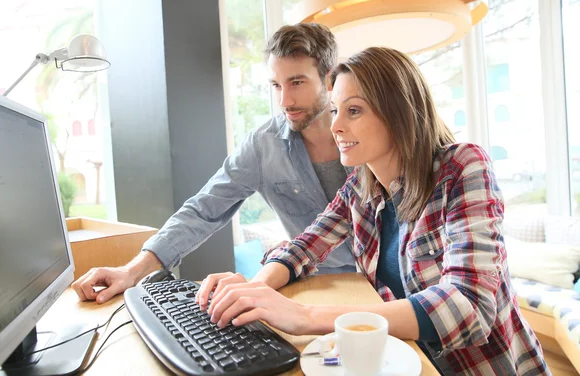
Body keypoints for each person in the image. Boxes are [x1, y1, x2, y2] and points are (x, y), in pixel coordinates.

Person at [197, 47, 550, 375]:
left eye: (353, 110)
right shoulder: (360, 189)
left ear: (398, 112)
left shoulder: (462, 167)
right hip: (410, 360)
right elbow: (304, 247)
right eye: (334, 109)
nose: (335, 126)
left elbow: (469, 306)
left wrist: (306, 316)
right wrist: (254, 292)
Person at [72, 23, 357, 304]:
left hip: (380, 283)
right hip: (310, 286)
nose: (284, 100)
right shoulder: (262, 145)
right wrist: (131, 272)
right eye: (275, 85)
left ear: (329, 79)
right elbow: (202, 210)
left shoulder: (367, 134)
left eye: (296, 82)